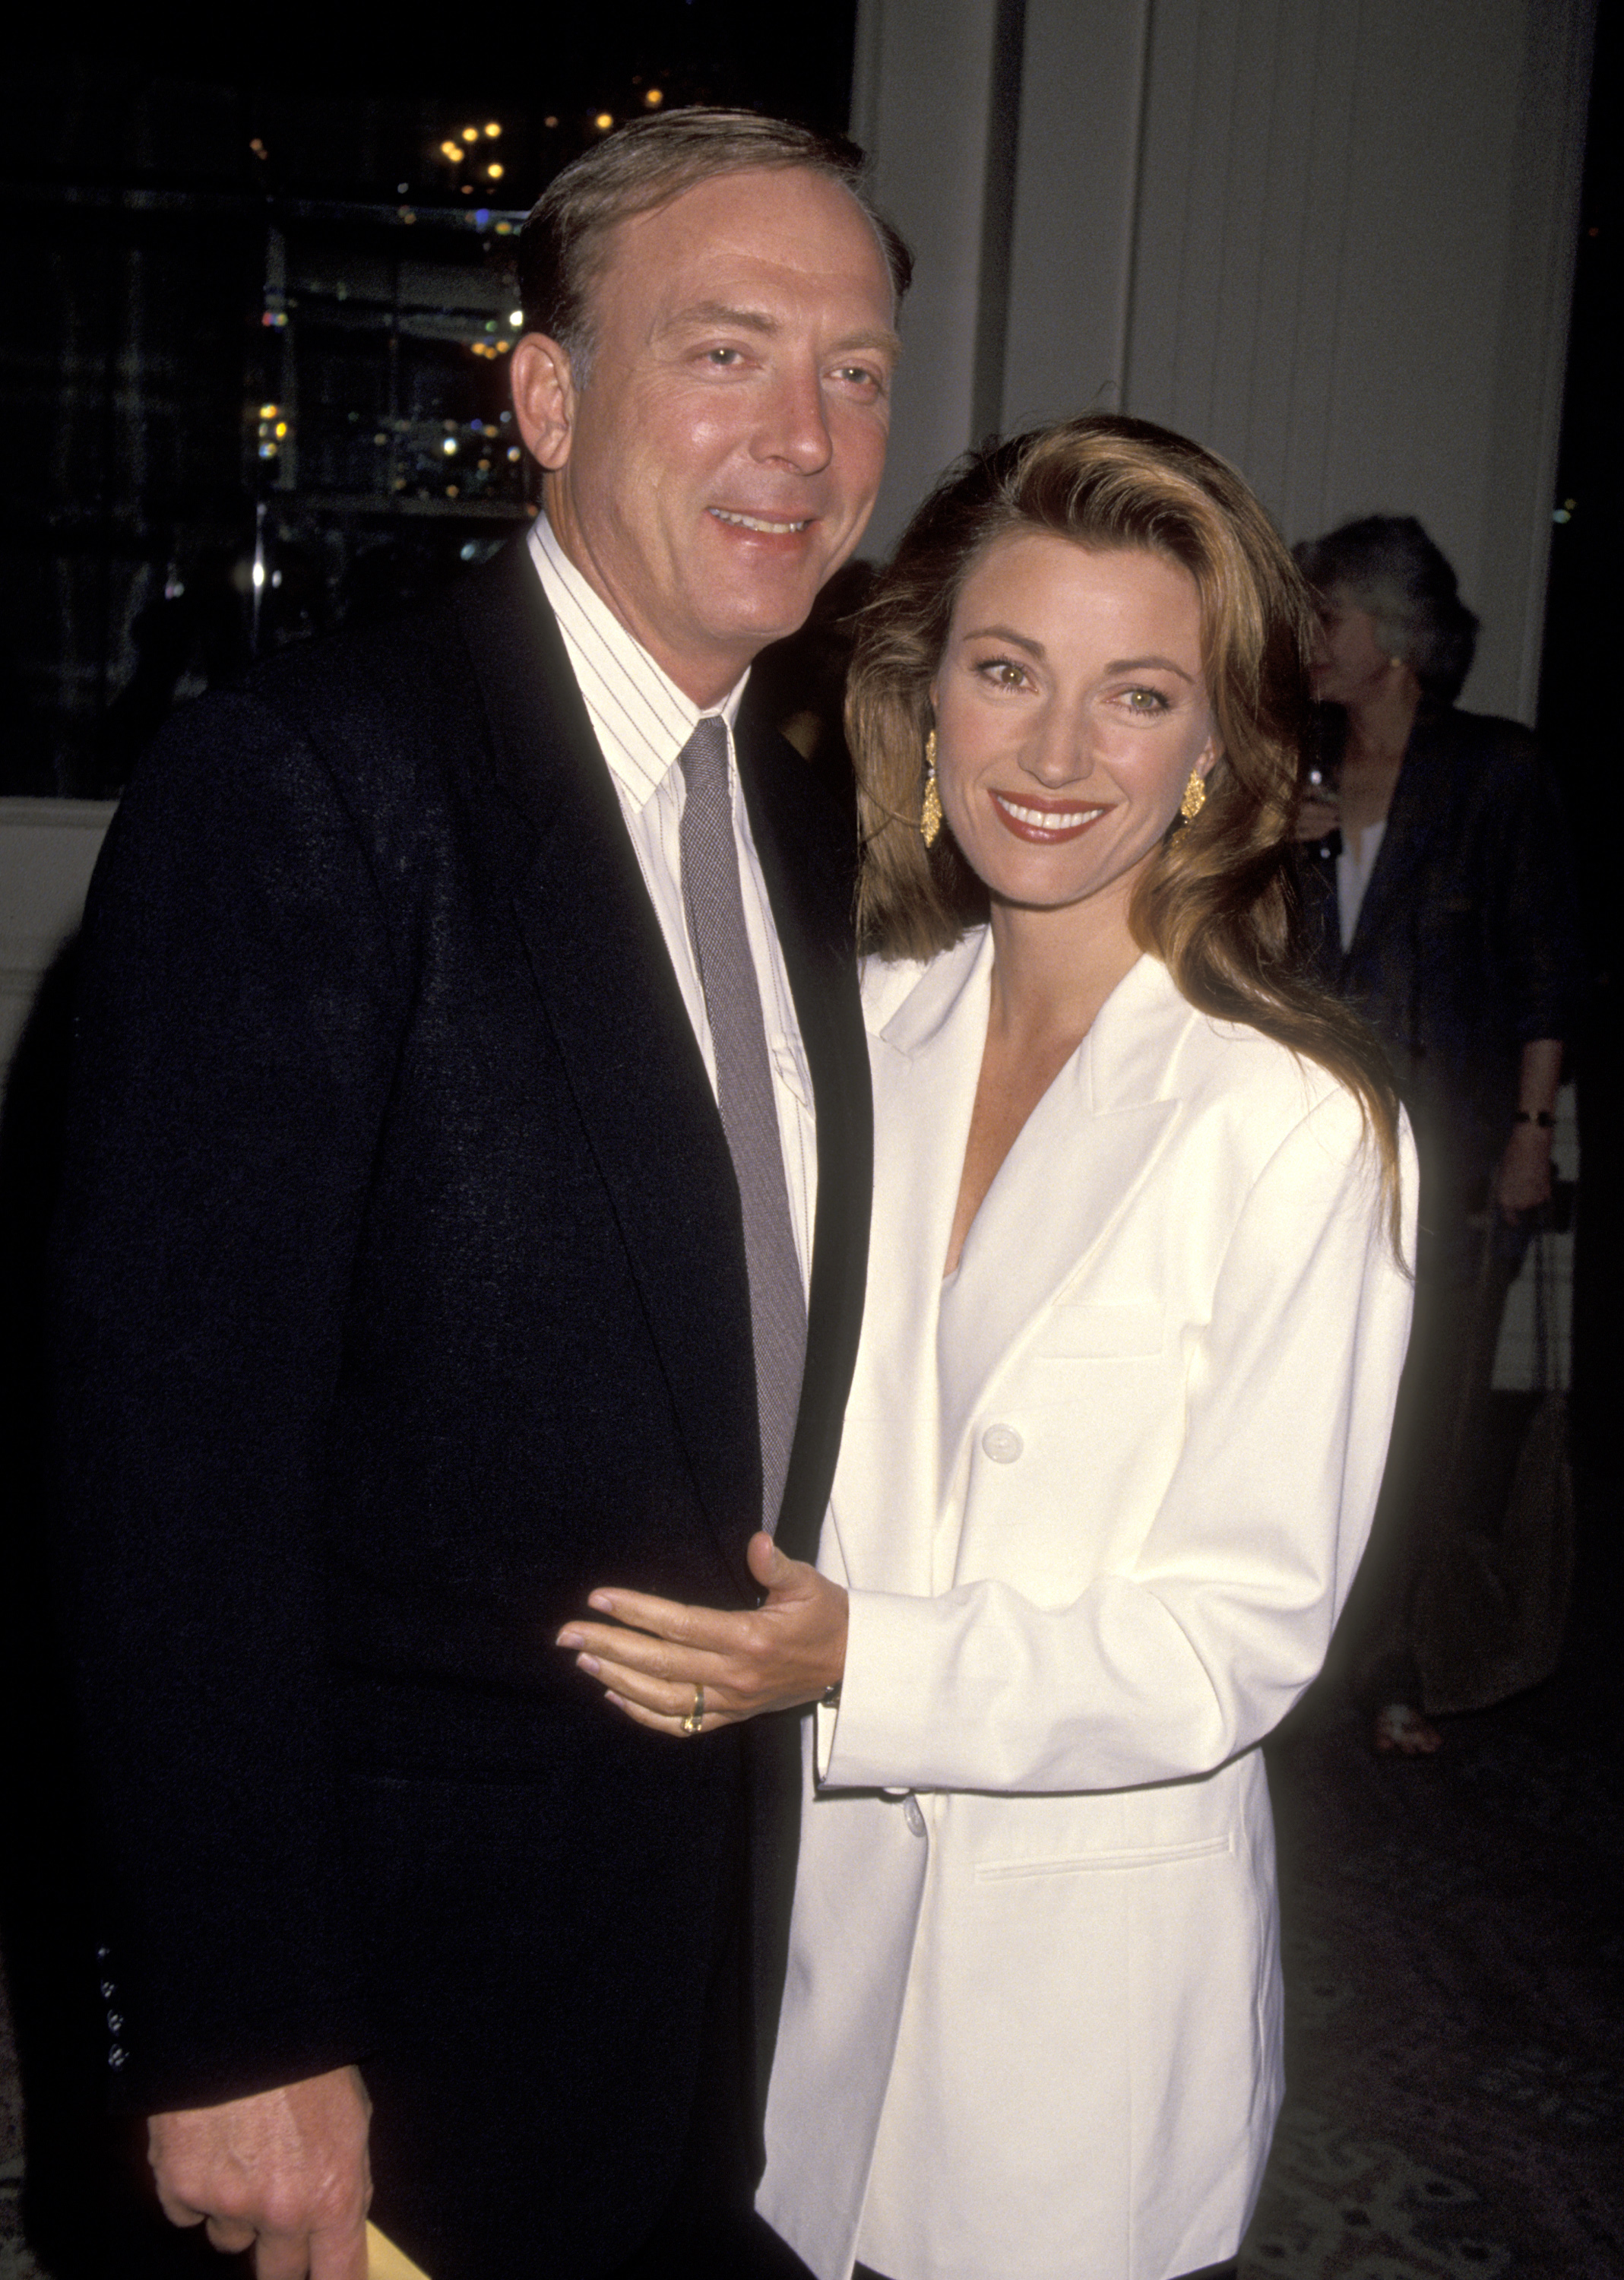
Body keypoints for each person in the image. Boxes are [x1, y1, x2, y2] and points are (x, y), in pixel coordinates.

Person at [48, 109, 908, 2280]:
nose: (802, 438)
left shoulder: (798, 828)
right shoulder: (314, 786)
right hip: (390, 1993)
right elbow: (159, 1468)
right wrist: (236, 2023)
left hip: (702, 1968)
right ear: (547, 396)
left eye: (859, 369)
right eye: (726, 351)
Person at [557, 414, 1417, 2280]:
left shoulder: (1292, 1121)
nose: (1053, 752)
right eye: (1008, 671)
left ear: (1213, 750)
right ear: (923, 695)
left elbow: (1237, 1633)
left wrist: (864, 1656)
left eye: (1135, 696)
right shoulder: (846, 1037)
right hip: (806, 1958)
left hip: (1078, 2019)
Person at [1292, 516, 1584, 1754]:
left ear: (1395, 643)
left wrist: (1531, 1128)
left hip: (1457, 1145)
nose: (1308, 640)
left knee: (1426, 1413)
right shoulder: (1286, 764)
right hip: (1312, 1141)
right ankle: (1304, 1655)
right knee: (1308, 1404)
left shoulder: (1493, 771)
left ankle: (1402, 1662)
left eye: (1329, 618)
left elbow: (1546, 967)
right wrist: (1260, 850)